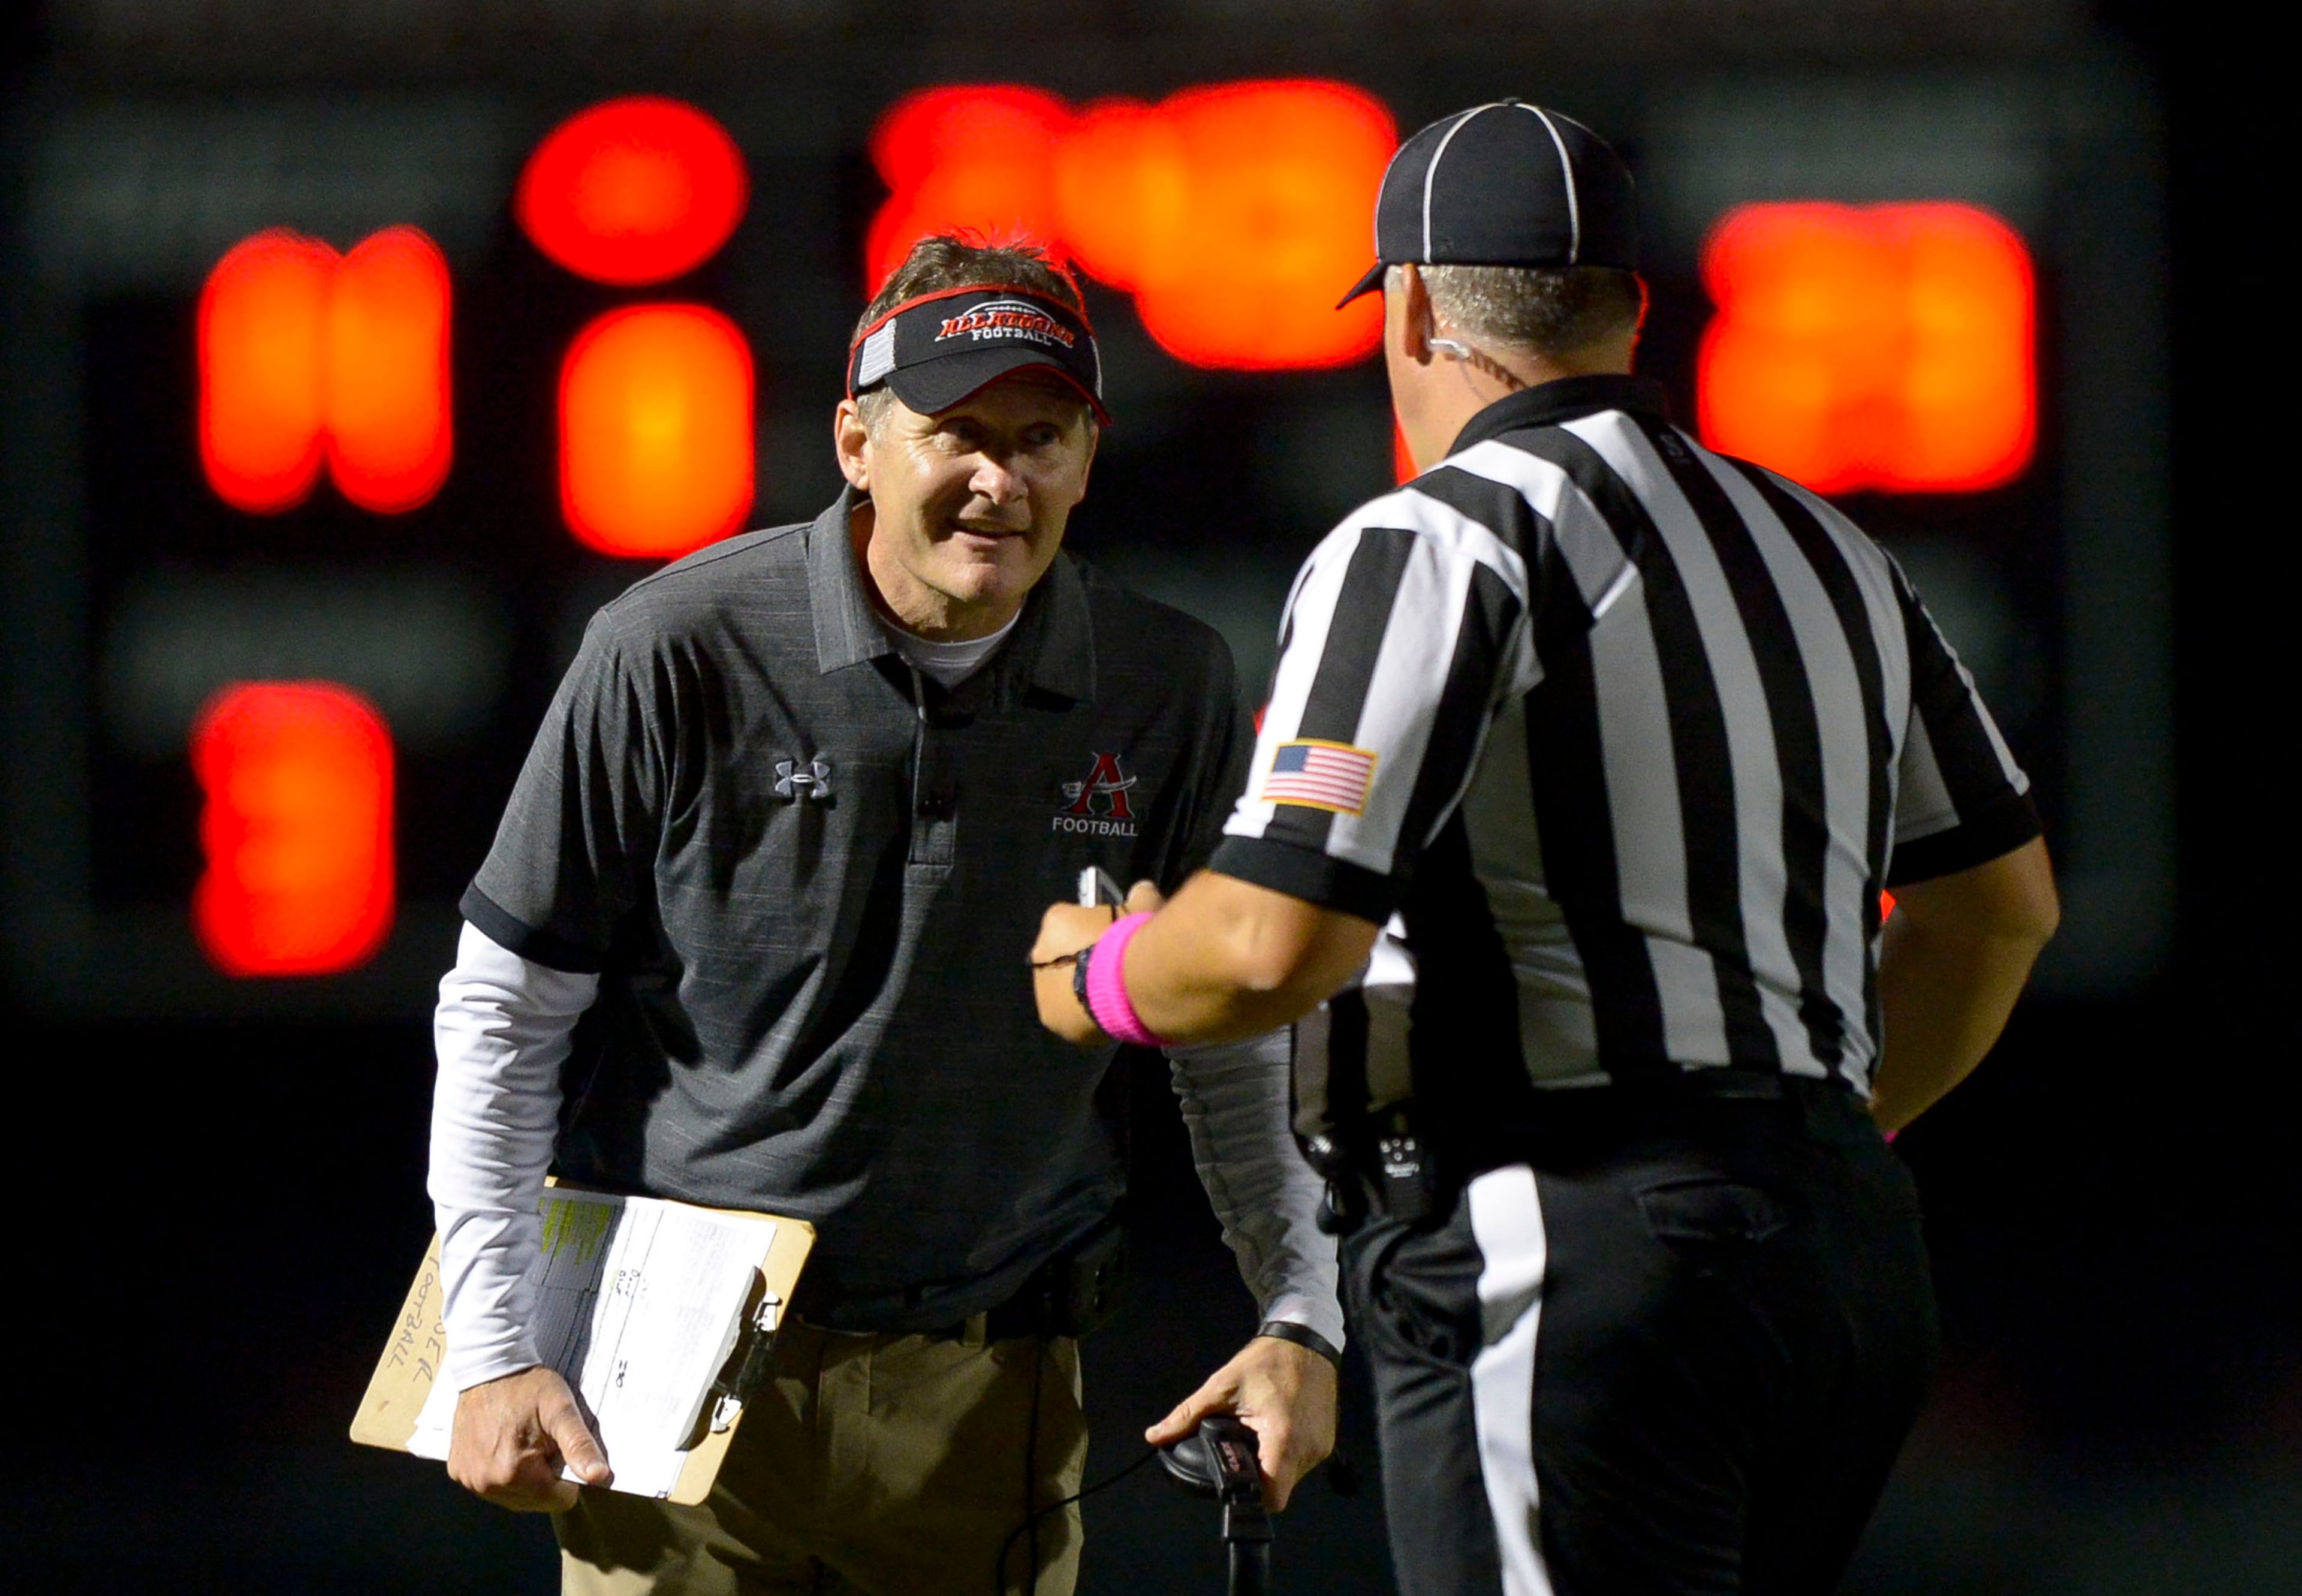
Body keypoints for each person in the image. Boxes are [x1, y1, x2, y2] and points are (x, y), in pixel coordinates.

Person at [1034, 104, 2060, 1595]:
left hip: (1568, 1237)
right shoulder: (1829, 549)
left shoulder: (1437, 539)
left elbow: (1272, 939)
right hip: (1839, 1256)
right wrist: (1806, 1130)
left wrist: (1102, 976)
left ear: (1417, 306)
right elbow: (2000, 909)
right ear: (1632, 312)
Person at [430, 234, 1340, 1596]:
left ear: (1090, 455)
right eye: (956, 432)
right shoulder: (677, 645)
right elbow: (508, 1004)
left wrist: (1300, 1309)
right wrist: (492, 1340)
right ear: (857, 440)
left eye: (1040, 436)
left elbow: (1231, 1039)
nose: (1000, 478)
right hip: (671, 1374)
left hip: (992, 1389)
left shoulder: (1166, 679)